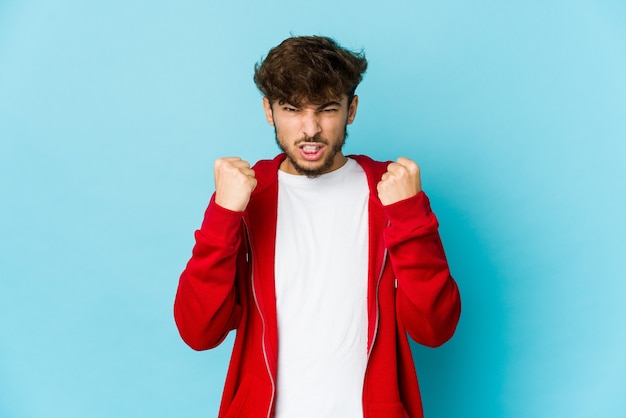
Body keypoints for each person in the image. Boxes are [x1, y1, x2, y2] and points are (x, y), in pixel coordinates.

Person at [174, 35, 461, 418]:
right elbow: (198, 332)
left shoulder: (390, 193)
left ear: (351, 109)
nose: (310, 129)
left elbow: (435, 329)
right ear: (268, 111)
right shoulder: (246, 196)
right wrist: (223, 215)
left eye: (326, 109)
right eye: (292, 109)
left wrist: (410, 217)